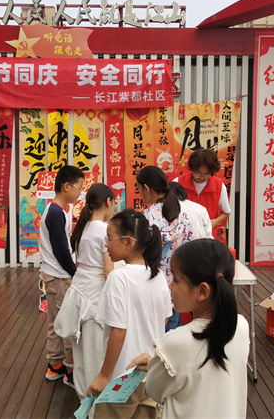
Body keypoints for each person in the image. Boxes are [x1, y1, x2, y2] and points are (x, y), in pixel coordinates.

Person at [127, 239, 250, 419]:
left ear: (202, 291)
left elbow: (154, 390)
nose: (170, 285)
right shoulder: (241, 325)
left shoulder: (174, 343)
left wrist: (156, 365)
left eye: (176, 279)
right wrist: (158, 363)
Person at [87, 209, 172, 418]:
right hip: (149, 372)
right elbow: (163, 320)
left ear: (128, 242)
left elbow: (119, 330)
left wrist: (104, 375)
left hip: (122, 375)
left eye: (109, 238)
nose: (106, 244)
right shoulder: (158, 276)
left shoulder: (118, 278)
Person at [54, 183, 116, 401]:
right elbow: (108, 272)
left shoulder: (83, 229)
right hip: (95, 297)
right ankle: (95, 403)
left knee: (81, 353)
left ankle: (83, 398)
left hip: (80, 293)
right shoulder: (105, 231)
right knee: (96, 353)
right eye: (113, 202)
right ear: (107, 202)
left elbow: (79, 265)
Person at [40, 165, 85, 389]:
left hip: (53, 275)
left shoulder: (55, 210)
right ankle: (70, 370)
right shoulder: (56, 213)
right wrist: (75, 273)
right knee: (67, 324)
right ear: (66, 186)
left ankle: (55, 364)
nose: (80, 193)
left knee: (55, 322)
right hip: (59, 277)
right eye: (79, 187)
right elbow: (61, 251)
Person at [136, 165, 196, 331]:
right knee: (171, 335)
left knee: (151, 335)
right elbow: (191, 250)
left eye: (139, 189)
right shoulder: (182, 216)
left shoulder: (146, 217)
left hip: (151, 285)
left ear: (147, 188)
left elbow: (139, 253)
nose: (140, 194)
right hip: (176, 286)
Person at [174, 148, 231, 242]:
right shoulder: (178, 183)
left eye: (206, 174)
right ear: (192, 168)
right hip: (182, 238)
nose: (201, 177)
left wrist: (213, 222)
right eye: (197, 173)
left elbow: (226, 212)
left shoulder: (219, 186)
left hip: (207, 238)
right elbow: (170, 208)